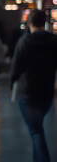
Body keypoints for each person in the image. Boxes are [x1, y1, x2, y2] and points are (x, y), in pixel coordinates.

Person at [10, 10, 57, 162]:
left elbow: (15, 67)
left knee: (36, 131)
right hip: (47, 91)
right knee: (37, 127)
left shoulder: (24, 41)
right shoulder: (54, 40)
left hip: (27, 92)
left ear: (29, 23)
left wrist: (12, 85)